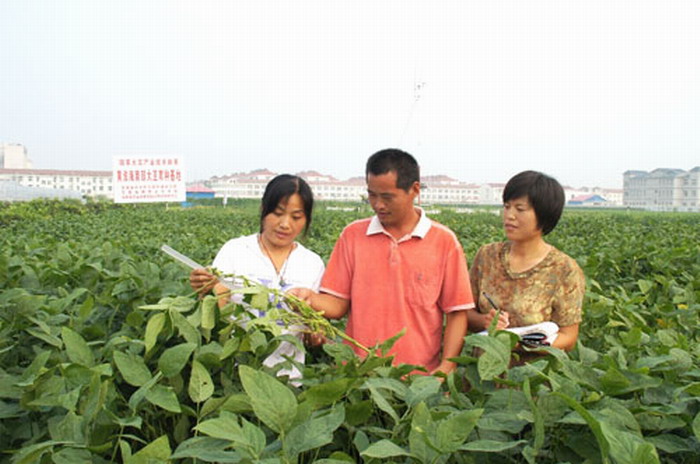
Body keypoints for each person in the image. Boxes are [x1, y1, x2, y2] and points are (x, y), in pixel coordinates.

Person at [291, 149, 474, 376]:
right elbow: (337, 305)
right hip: (357, 376)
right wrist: (309, 299)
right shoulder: (353, 236)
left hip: (418, 379)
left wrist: (447, 366)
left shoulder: (443, 241)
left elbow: (456, 312)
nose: (378, 205)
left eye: (387, 197)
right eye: (372, 195)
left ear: (414, 190)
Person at [190, 174, 325, 381]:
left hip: (288, 379)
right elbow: (218, 310)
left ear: (306, 219)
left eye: (296, 217)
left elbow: (312, 326)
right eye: (277, 213)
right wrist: (206, 291)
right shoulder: (236, 250)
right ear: (263, 209)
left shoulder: (312, 263)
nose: (285, 224)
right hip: (236, 373)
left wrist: (315, 333)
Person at [467, 171, 585, 352]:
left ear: (544, 215)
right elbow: (464, 313)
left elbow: (568, 337)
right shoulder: (487, 256)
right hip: (484, 367)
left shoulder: (564, 269)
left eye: (520, 209)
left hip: (534, 368)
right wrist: (485, 322)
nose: (509, 215)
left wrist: (521, 344)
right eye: (507, 207)